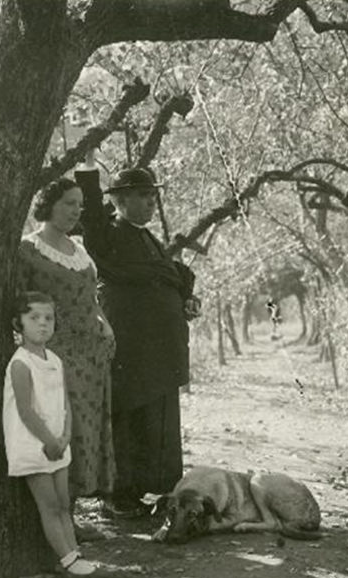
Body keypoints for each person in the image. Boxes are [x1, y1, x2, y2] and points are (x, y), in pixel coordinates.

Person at [75, 150, 200, 517]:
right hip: (128, 349)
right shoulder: (107, 234)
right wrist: (87, 168)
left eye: (152, 196)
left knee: (154, 419)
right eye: (142, 196)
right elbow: (92, 214)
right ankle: (117, 494)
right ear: (119, 200)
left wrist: (186, 298)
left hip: (158, 352)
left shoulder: (148, 239)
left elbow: (174, 276)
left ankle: (147, 487)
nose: (150, 202)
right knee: (126, 417)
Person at [18, 178, 117, 538]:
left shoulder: (79, 249)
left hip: (91, 353)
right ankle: (58, 520)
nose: (75, 211)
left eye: (79, 204)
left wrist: (105, 325)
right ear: (48, 204)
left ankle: (71, 514)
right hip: (56, 352)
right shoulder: (29, 249)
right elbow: (22, 305)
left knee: (85, 431)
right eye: (68, 204)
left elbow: (92, 299)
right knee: (61, 429)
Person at [2, 291, 103, 578]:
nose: (42, 324)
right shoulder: (21, 363)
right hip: (34, 444)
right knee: (48, 505)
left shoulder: (55, 360)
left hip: (58, 443)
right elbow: (25, 411)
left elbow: (64, 403)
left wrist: (65, 436)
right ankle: (69, 560)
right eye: (33, 318)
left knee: (63, 503)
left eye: (48, 318)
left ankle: (75, 553)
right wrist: (48, 442)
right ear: (17, 324)